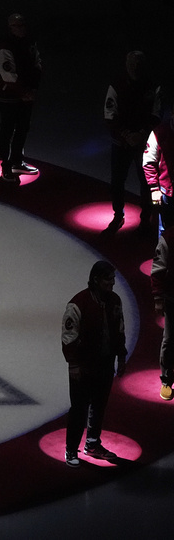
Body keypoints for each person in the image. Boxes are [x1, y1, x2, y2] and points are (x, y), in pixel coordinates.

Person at [62, 261, 127, 467]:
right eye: (108, 279)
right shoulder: (78, 303)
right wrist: (74, 365)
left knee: (99, 406)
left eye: (113, 279)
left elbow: (119, 331)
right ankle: (71, 449)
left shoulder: (115, 301)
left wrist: (121, 357)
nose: (112, 283)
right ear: (97, 279)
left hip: (105, 364)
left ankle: (92, 444)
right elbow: (68, 338)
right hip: (84, 366)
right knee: (79, 409)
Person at [103, 51, 159, 234]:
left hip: (143, 144)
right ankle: (118, 215)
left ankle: (146, 220)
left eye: (138, 62)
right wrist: (126, 135)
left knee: (146, 182)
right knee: (117, 181)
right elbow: (110, 115)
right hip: (122, 143)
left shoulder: (152, 86)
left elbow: (157, 114)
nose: (134, 66)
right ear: (126, 63)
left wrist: (141, 135)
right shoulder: (117, 85)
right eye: (131, 62)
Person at [0, 13, 42, 182]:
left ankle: (17, 161)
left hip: (25, 94)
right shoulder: (4, 47)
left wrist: (33, 89)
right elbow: (9, 75)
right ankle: (6, 166)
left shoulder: (29, 42)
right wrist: (24, 93)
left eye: (23, 25)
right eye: (17, 26)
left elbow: (37, 64)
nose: (21, 29)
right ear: (10, 28)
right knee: (7, 129)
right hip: (8, 96)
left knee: (22, 128)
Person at [143, 95, 174, 234]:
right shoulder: (159, 132)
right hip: (167, 191)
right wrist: (154, 188)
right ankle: (163, 255)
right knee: (165, 229)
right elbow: (148, 161)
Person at [150, 232, 174, 400]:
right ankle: (166, 379)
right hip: (172, 298)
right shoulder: (169, 237)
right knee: (170, 338)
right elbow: (158, 269)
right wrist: (158, 298)